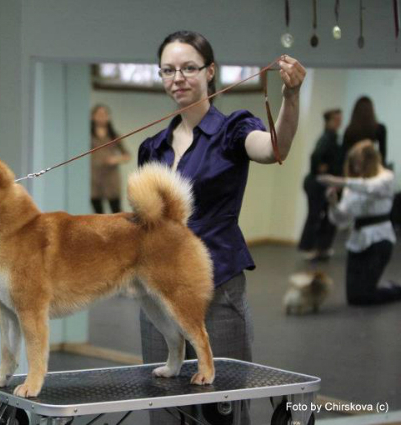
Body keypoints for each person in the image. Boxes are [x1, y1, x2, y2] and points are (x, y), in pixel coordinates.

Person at [137, 30, 306, 425]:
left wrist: (291, 96)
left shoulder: (233, 130)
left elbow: (274, 148)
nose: (178, 78)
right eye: (168, 70)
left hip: (217, 287)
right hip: (158, 294)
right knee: (164, 410)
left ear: (209, 72)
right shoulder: (152, 147)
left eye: (188, 68)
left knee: (222, 412)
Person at [319, 141, 401, 306]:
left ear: (370, 161)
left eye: (359, 163)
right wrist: (333, 204)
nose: (356, 168)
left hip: (379, 241)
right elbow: (342, 219)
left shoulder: (386, 178)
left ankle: (396, 290)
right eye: (354, 164)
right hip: (357, 241)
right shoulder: (353, 186)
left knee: (365, 295)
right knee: (354, 297)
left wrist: (341, 181)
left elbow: (372, 187)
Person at [298, 109, 343, 261]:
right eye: (335, 119)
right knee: (315, 215)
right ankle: (308, 248)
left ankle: (321, 247)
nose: (338, 122)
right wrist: (319, 168)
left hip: (323, 183)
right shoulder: (326, 138)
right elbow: (315, 156)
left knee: (327, 216)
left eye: (340, 119)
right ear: (328, 121)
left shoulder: (334, 138)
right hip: (316, 183)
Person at [90, 104, 131, 214]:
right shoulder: (88, 136)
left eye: (104, 114)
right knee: (97, 213)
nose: (101, 117)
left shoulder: (114, 136)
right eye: (99, 114)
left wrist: (116, 159)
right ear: (93, 116)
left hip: (111, 177)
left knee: (116, 210)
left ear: (108, 117)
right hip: (94, 177)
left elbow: (127, 155)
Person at [341, 96, 387, 168]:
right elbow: (382, 153)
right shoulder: (379, 128)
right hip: (371, 165)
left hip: (354, 166)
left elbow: (344, 154)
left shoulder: (349, 130)